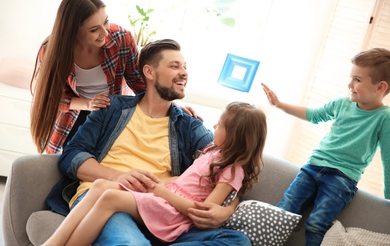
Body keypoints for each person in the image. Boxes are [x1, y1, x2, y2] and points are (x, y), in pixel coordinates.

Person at [46, 38, 251, 245]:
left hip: (160, 206)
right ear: (150, 72)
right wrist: (118, 176)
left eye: (185, 67)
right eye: (174, 66)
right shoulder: (112, 108)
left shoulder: (189, 126)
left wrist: (227, 210)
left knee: (238, 241)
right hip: (105, 196)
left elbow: (228, 163)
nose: (184, 72)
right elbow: (70, 155)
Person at [42, 101, 267, 246]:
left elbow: (200, 211)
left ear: (236, 135)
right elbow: (189, 181)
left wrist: (159, 190)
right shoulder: (215, 150)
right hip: (164, 194)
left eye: (221, 125)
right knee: (100, 186)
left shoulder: (232, 169)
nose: (214, 127)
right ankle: (53, 243)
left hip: (173, 212)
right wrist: (158, 183)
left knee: (109, 198)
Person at [30, 0, 197, 155]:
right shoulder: (52, 52)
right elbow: (53, 98)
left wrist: (171, 104)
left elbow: (140, 83)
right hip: (74, 115)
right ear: (73, 31)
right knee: (69, 162)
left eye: (105, 22)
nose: (105, 32)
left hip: (113, 113)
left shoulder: (122, 39)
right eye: (94, 29)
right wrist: (88, 103)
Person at [261, 47, 390, 246]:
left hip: (342, 178)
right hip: (312, 167)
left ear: (380, 87)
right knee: (284, 211)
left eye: (357, 79)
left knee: (316, 224)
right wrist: (279, 104)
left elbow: (388, 159)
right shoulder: (342, 104)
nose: (349, 84)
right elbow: (313, 115)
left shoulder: (384, 118)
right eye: (351, 78)